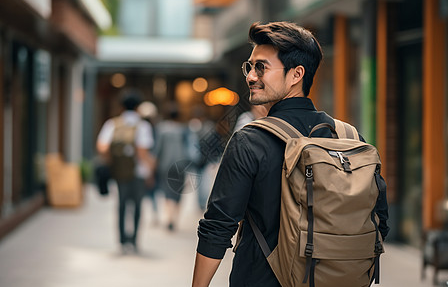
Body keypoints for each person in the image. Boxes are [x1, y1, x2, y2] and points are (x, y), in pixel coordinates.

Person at [192, 21, 389, 287]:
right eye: (249, 66)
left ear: (297, 74)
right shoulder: (349, 138)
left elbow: (217, 226)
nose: (250, 76)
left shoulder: (250, 140)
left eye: (261, 67)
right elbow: (380, 221)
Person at [96, 89, 155, 253]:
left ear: (122, 106)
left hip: (120, 172)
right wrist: (150, 170)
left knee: (121, 205)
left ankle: (122, 241)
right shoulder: (143, 126)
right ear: (137, 107)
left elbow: (102, 147)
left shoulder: (112, 124)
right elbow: (143, 152)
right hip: (138, 173)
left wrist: (113, 161)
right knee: (136, 207)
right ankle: (134, 240)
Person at [153, 102, 190, 232]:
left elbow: (157, 148)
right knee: (178, 191)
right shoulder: (184, 129)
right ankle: (175, 219)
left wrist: (154, 163)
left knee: (167, 191)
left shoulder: (161, 129)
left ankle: (168, 218)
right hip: (180, 164)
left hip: (165, 164)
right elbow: (189, 148)